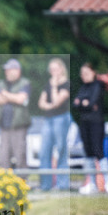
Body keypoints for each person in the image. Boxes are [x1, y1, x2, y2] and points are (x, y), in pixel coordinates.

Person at [73, 63, 108, 194]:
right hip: (84, 123)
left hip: (96, 123)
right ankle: (91, 183)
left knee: (98, 151)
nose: (83, 76)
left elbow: (90, 103)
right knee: (88, 152)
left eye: (86, 73)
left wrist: (84, 104)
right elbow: (76, 103)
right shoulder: (83, 88)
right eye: (82, 74)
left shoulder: (98, 85)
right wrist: (84, 104)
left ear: (93, 73)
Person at [37, 57, 72, 191]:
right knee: (44, 152)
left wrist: (54, 86)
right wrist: (50, 105)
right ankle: (45, 185)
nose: (53, 72)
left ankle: (62, 185)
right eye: (51, 69)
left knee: (61, 150)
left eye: (55, 69)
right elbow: (41, 103)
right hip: (48, 120)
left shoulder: (65, 84)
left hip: (61, 119)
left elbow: (57, 101)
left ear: (62, 69)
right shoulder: (48, 83)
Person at [0, 58, 31, 170]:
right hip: (4, 126)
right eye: (6, 70)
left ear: (17, 71)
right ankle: (5, 183)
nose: (6, 72)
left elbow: (20, 99)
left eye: (9, 70)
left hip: (18, 126)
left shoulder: (25, 83)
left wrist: (4, 94)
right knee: (3, 157)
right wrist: (13, 97)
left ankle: (23, 183)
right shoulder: (1, 83)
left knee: (20, 156)